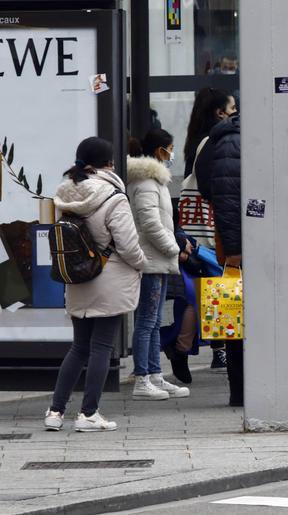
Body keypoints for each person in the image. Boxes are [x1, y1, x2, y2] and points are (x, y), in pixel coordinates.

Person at [45, 138, 148, 432]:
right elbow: (128, 245)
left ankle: (55, 411)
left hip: (78, 279)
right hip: (110, 278)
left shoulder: (64, 194)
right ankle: (89, 413)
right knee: (102, 346)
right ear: (109, 164)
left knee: (79, 347)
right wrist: (142, 263)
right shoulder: (114, 197)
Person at [127, 130, 190, 400]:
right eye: (170, 148)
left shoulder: (155, 181)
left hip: (159, 259)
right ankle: (142, 378)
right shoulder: (145, 183)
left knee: (153, 321)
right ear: (159, 151)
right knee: (147, 321)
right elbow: (150, 224)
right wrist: (173, 248)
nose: (172, 154)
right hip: (150, 260)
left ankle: (154, 374)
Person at [178, 86, 235, 371]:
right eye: (233, 110)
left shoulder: (196, 139)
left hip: (198, 226)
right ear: (220, 112)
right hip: (212, 225)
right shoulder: (215, 141)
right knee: (219, 283)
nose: (236, 116)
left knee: (204, 287)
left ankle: (192, 346)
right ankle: (215, 346)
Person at [195, 110, 243, 406]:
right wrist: (236, 250)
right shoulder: (233, 142)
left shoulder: (220, 139)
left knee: (238, 319)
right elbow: (227, 200)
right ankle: (241, 390)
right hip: (242, 247)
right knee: (240, 318)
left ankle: (241, 389)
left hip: (238, 243)